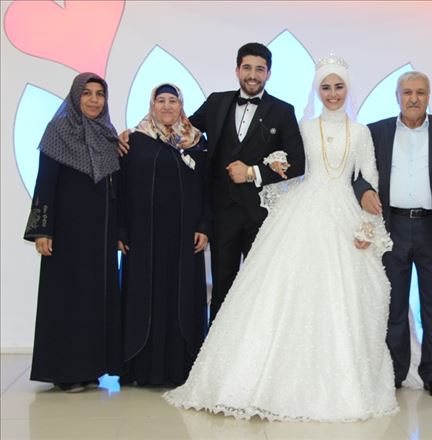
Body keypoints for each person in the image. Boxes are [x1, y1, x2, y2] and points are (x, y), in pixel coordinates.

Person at [164, 55, 398, 422]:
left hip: (343, 216)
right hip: (301, 211)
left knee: (340, 296)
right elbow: (289, 165)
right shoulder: (304, 126)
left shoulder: (361, 132)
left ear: (347, 89)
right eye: (325, 87)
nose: (332, 94)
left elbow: (368, 177)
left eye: (338, 87)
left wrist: (367, 226)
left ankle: (339, 382)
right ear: (317, 90)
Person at [118, 43, 305, 322]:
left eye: (260, 69)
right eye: (247, 68)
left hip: (261, 216)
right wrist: (135, 133)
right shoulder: (217, 102)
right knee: (221, 288)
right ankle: (217, 347)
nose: (253, 75)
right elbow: (180, 128)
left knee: (262, 287)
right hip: (222, 214)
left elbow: (298, 163)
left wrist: (252, 172)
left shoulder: (283, 110)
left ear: (268, 73)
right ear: (237, 70)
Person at [354, 71, 432, 399]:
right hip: (392, 228)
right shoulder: (376, 131)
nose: (414, 98)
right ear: (398, 97)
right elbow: (358, 175)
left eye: (420, 92)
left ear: (429, 96)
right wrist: (363, 191)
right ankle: (394, 372)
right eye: (407, 92)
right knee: (392, 306)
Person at [23, 72, 122, 393]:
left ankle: (91, 368)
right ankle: (64, 372)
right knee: (66, 300)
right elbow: (45, 182)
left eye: (99, 94)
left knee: (94, 301)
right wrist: (43, 230)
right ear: (75, 97)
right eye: (87, 93)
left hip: (99, 236)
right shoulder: (58, 131)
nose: (94, 100)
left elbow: (114, 189)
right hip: (66, 234)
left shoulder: (108, 135)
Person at [118, 83, 209, 387]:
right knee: (145, 298)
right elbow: (121, 188)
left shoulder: (196, 142)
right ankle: (141, 369)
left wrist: (204, 226)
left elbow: (207, 188)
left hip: (184, 239)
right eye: (161, 100)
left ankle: (181, 368)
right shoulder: (135, 140)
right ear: (152, 104)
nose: (167, 106)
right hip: (143, 238)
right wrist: (121, 229)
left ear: (181, 106)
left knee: (181, 298)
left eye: (173, 101)